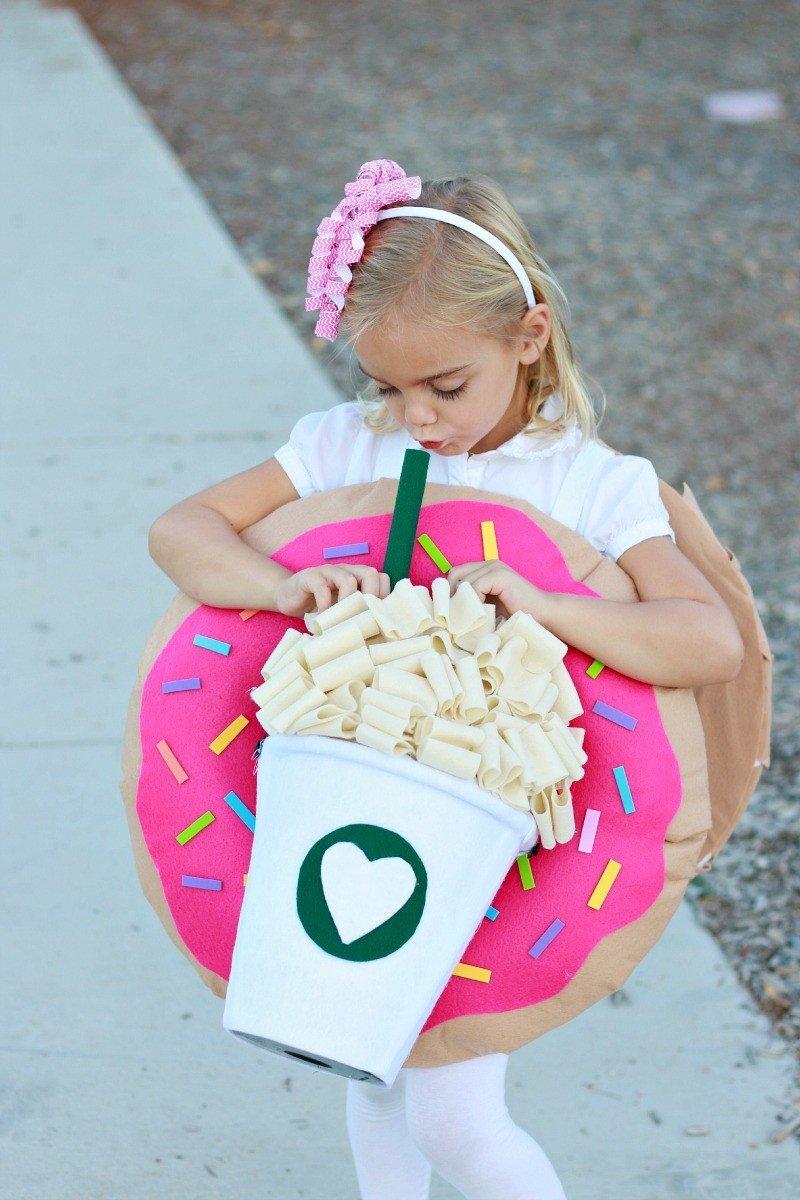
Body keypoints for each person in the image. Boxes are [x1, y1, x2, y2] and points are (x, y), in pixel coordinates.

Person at [148, 160, 744, 1200]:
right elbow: (181, 530)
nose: (415, 418)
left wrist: (553, 606)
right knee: (368, 1068)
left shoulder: (587, 484)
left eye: (445, 386)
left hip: (494, 837)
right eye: (385, 387)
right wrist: (280, 588)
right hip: (355, 802)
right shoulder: (347, 449)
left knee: (455, 1113)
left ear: (528, 336)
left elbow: (705, 640)